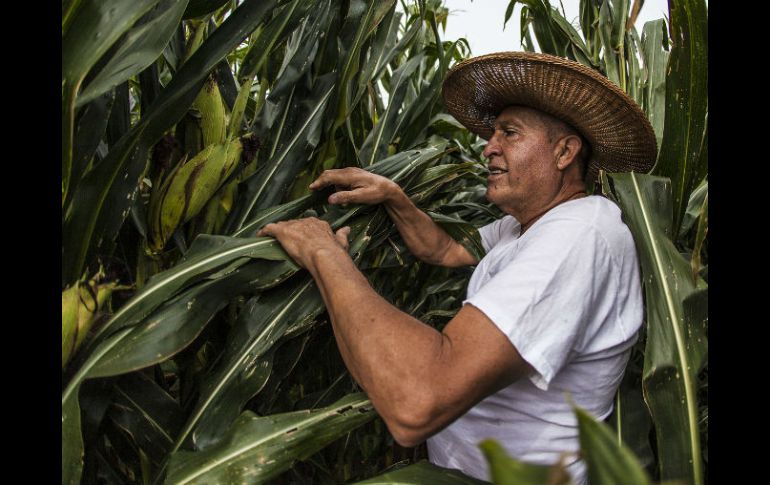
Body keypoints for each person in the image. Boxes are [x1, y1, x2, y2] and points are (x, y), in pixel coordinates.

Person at [257, 52, 657, 484]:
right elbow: (446, 249)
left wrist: (325, 254)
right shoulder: (524, 227)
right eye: (492, 134)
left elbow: (419, 399)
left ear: (564, 151)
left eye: (509, 133)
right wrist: (394, 195)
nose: (489, 147)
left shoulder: (580, 235)